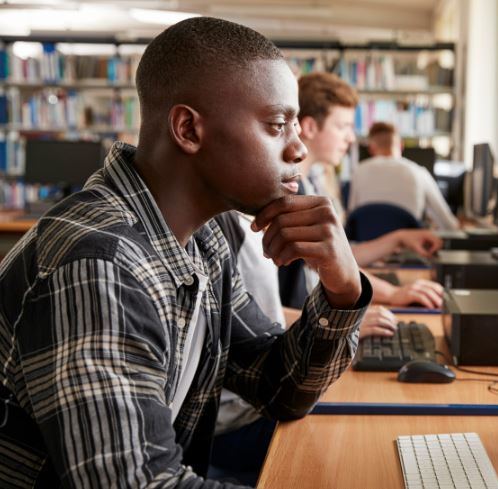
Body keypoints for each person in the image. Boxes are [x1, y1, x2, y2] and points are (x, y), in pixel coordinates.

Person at [0, 17, 371, 488]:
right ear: (188, 129)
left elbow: (279, 386)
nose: (298, 148)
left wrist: (343, 289)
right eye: (277, 125)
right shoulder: (99, 264)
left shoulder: (204, 241)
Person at [279, 71, 444, 314]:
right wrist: (392, 294)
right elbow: (329, 263)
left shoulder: (309, 181)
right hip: (297, 327)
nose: (351, 138)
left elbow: (339, 257)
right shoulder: (291, 192)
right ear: (310, 127)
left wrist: (398, 239)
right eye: (343, 127)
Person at [349, 121, 461, 231]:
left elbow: (352, 217)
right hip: (409, 247)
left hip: (368, 247)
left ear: (371, 149)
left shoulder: (358, 171)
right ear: (401, 146)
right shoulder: (419, 172)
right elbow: (449, 224)